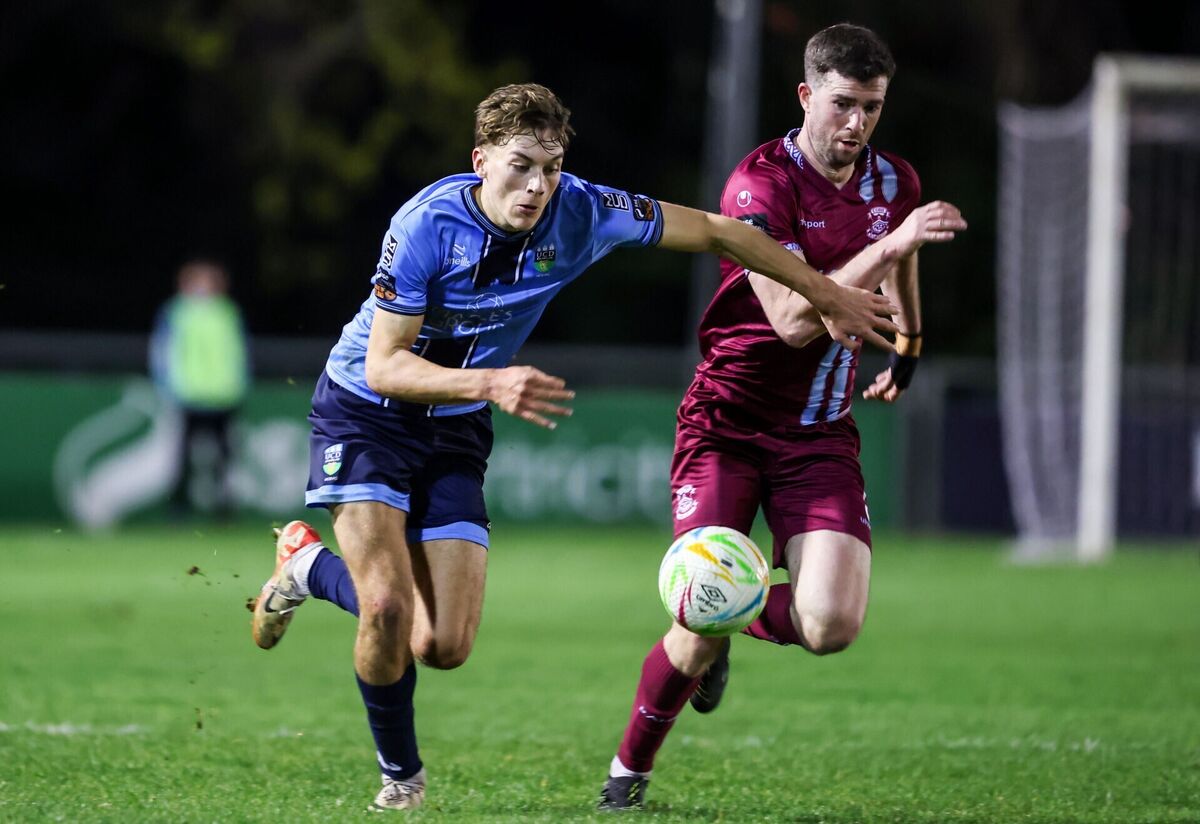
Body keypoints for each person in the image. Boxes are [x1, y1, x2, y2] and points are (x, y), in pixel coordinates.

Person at [247, 82, 958, 813]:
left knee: (443, 645)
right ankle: (401, 781)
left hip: (456, 421)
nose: (536, 186)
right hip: (368, 413)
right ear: (481, 159)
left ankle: (304, 564)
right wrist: (492, 382)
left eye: (550, 167)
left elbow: (724, 232)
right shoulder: (426, 224)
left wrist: (827, 293)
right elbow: (384, 365)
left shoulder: (585, 210)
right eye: (520, 165)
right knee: (389, 609)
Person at [596, 24, 967, 810]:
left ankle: (732, 613)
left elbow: (900, 260)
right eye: (843, 104)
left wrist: (909, 338)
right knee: (694, 623)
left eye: (871, 107)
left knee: (831, 624)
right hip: (726, 422)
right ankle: (627, 776)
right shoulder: (755, 188)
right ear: (807, 96)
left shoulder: (891, 180)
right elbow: (795, 322)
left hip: (819, 432)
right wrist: (893, 242)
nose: (857, 124)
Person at [149, 258, 249, 519]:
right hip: (189, 395)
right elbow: (161, 352)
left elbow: (237, 351)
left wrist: (238, 385)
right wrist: (168, 386)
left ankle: (223, 510)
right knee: (183, 457)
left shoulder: (227, 311)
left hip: (223, 395)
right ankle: (178, 509)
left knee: (224, 458)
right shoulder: (176, 312)